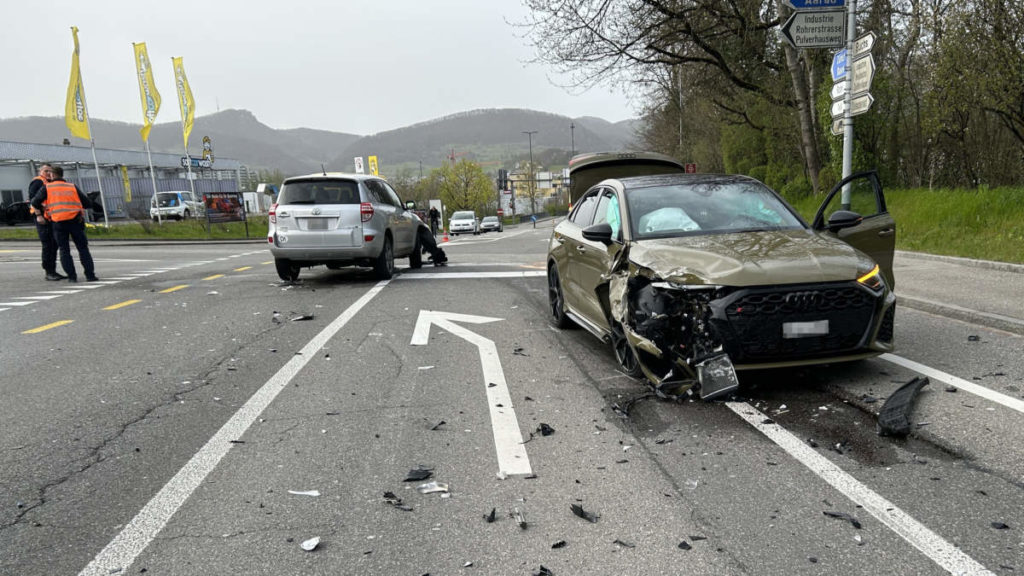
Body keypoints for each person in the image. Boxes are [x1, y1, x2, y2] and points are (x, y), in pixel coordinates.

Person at [30, 166, 98, 283]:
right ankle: (90, 275)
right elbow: (87, 203)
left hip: (58, 223)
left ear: (52, 175)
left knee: (64, 250)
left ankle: (72, 277)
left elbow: (34, 202)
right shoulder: (72, 187)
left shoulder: (47, 187)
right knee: (83, 249)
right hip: (75, 222)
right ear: (62, 175)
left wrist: (41, 213)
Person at [28, 164, 64, 281]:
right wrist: (39, 216)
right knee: (48, 244)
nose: (48, 173)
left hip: (50, 217)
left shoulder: (49, 183)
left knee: (54, 244)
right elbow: (33, 201)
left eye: (50, 171)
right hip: (42, 218)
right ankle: (49, 271)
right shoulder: (38, 182)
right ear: (40, 171)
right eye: (46, 170)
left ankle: (52, 270)